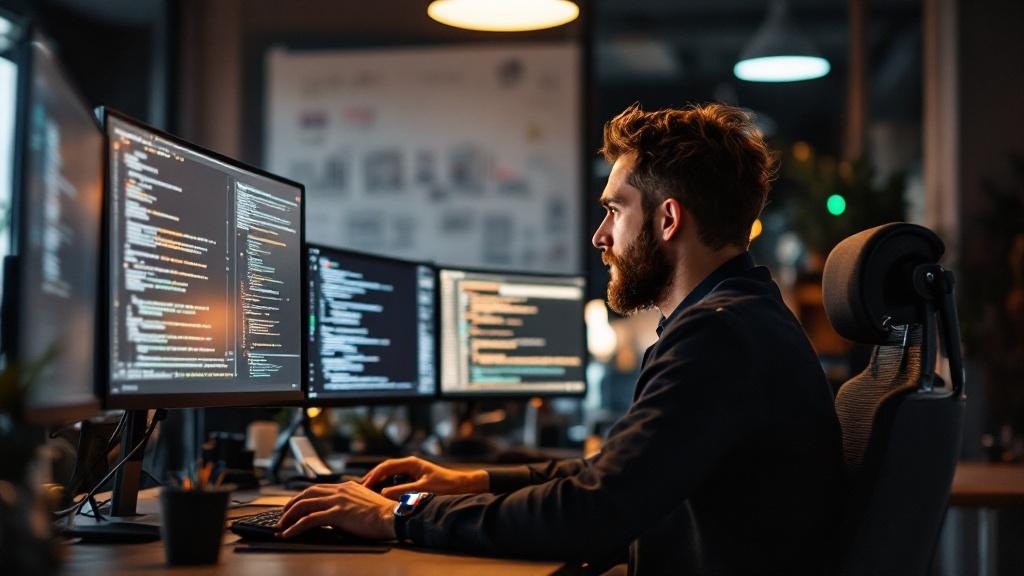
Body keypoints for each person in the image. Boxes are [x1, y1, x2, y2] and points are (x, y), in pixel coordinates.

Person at [276, 103, 844, 575]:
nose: (601, 236)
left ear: (668, 220)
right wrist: (470, 479)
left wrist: (396, 517)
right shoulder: (742, 318)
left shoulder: (719, 337)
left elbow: (592, 511)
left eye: (615, 211)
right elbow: (617, 476)